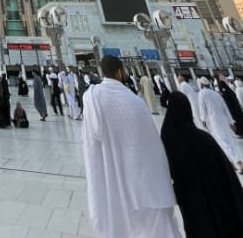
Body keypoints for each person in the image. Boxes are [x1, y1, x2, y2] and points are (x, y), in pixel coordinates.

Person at [82, 55, 181, 238]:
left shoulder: (92, 99)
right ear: (120, 72)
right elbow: (152, 145)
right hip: (145, 181)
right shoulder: (135, 102)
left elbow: (90, 143)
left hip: (112, 177)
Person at [161, 91, 243, 237]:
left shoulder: (168, 139)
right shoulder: (204, 139)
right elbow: (227, 177)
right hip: (217, 202)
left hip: (190, 201)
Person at [198, 77, 243, 173]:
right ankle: (231, 164)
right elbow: (225, 108)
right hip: (224, 121)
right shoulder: (216, 93)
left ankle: (239, 163)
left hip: (214, 122)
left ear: (201, 85)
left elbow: (202, 109)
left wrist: (202, 121)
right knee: (229, 142)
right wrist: (231, 122)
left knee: (223, 143)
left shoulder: (202, 93)